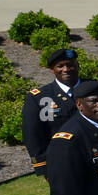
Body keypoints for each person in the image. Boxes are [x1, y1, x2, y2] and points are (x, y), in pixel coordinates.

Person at [22, 47, 81, 177]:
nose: (66, 69)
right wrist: (44, 168)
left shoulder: (95, 88)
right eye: (60, 66)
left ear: (77, 66)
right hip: (62, 164)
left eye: (70, 65)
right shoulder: (40, 98)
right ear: (52, 70)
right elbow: (33, 135)